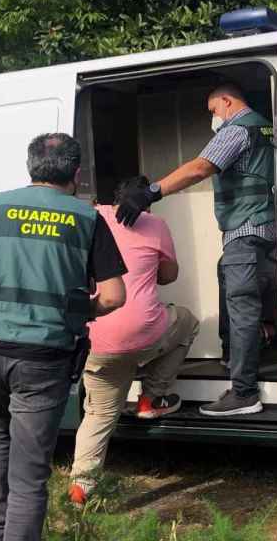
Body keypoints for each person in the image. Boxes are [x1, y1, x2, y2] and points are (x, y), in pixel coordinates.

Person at [0, 133, 127, 541]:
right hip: (43, 357)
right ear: (76, 174)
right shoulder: (86, 218)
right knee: (29, 472)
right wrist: (81, 308)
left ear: (31, 166)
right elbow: (114, 295)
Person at [115, 82, 277, 417]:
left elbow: (200, 167)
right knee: (228, 276)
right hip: (261, 229)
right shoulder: (265, 127)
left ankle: (244, 392)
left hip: (246, 228)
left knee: (242, 310)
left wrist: (152, 192)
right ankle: (232, 356)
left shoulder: (238, 129)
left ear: (227, 101)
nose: (212, 118)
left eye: (213, 110)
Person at [69, 176, 200, 504]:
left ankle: (80, 488)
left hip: (97, 336)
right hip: (144, 333)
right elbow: (168, 276)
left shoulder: (92, 216)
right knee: (187, 322)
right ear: (147, 202)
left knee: (98, 415)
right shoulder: (155, 224)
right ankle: (150, 399)